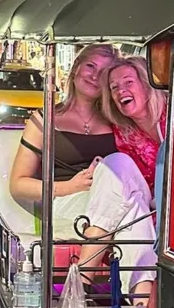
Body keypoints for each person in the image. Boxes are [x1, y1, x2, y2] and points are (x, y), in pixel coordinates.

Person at [9, 42, 120, 246]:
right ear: (76, 67)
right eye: (90, 66)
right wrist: (69, 186)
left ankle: (89, 273)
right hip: (66, 200)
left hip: (111, 198)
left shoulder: (117, 120)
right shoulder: (45, 120)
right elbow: (18, 185)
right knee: (126, 213)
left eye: (104, 72)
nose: (95, 76)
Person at [77, 56, 164, 304]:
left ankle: (83, 277)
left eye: (128, 82)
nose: (121, 91)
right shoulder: (124, 131)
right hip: (148, 210)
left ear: (147, 85)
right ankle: (141, 304)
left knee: (133, 207)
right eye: (114, 88)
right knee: (117, 165)